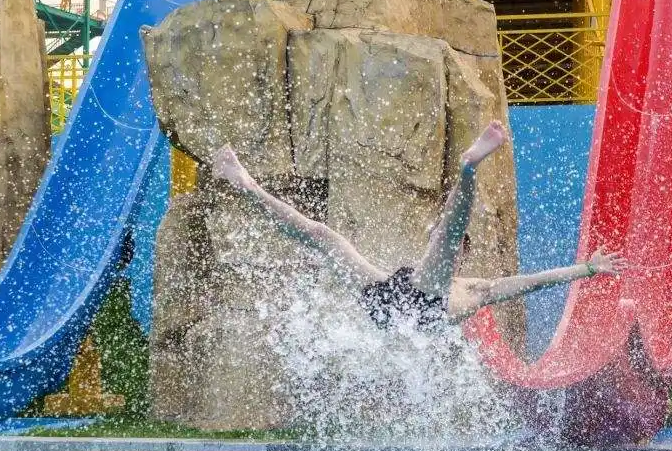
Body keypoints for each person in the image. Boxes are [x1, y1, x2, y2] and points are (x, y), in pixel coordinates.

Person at [210, 120, 628, 332]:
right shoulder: (457, 281)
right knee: (326, 237)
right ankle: (246, 185)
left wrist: (586, 269)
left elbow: (532, 281)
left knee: (435, 246)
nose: (451, 245)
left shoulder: (473, 287)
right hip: (390, 295)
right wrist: (587, 269)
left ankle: (469, 168)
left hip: (414, 309)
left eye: (457, 246)